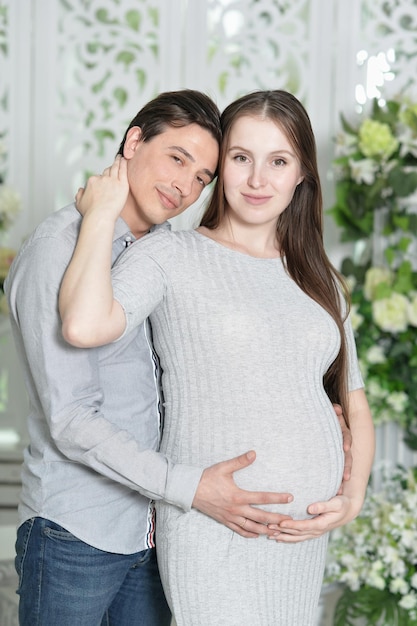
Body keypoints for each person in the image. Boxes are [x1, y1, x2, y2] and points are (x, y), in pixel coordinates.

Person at [59, 89, 375, 625]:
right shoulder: (172, 255)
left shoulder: (319, 277)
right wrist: (101, 213)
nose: (258, 180)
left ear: (301, 174)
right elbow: (84, 325)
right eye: (241, 158)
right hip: (213, 526)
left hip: (300, 534)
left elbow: (356, 403)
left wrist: (353, 498)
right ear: (221, 164)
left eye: (278, 162)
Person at [4, 89, 308, 626]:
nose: (184, 186)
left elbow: (202, 370)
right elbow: (71, 419)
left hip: (156, 534)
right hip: (76, 532)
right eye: (177, 158)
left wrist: (307, 411)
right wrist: (190, 487)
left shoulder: (168, 253)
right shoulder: (58, 247)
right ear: (134, 141)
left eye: (202, 178)